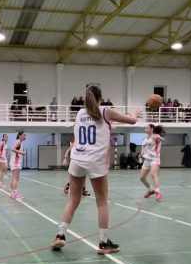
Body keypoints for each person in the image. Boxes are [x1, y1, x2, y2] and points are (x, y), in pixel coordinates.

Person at [51, 86, 142, 254]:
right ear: (101, 98)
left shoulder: (79, 113)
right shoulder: (106, 111)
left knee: (73, 200)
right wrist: (134, 114)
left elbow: (94, 125)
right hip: (95, 161)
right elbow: (132, 121)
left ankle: (60, 235)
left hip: (77, 159)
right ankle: (103, 243)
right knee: (102, 202)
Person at [140, 123, 165, 201]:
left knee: (153, 174)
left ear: (151, 129)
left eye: (147, 128)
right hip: (147, 160)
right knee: (142, 177)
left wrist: (159, 137)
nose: (145, 129)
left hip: (155, 158)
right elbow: (143, 149)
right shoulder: (144, 139)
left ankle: (158, 192)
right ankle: (150, 190)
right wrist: (141, 154)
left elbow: (163, 140)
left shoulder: (155, 136)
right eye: (144, 128)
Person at [9, 130, 27, 200]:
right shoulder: (18, 141)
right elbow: (12, 149)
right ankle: (15, 193)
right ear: (20, 135)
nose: (25, 136)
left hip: (15, 162)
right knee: (16, 178)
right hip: (16, 162)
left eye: (26, 135)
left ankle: (12, 193)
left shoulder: (19, 142)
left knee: (14, 178)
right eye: (24, 135)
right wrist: (22, 153)